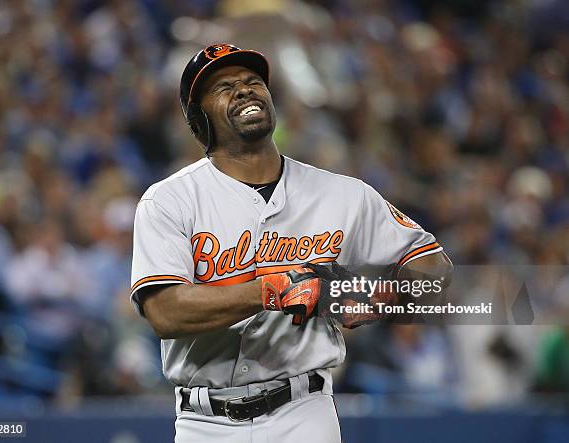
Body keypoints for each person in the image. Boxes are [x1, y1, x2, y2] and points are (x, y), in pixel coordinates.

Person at [130, 43, 453, 442]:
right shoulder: (170, 200)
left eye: (252, 81)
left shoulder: (341, 194)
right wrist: (273, 289)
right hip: (204, 422)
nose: (245, 89)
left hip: (304, 412)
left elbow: (435, 268)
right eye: (224, 87)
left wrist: (380, 296)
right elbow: (165, 313)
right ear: (199, 118)